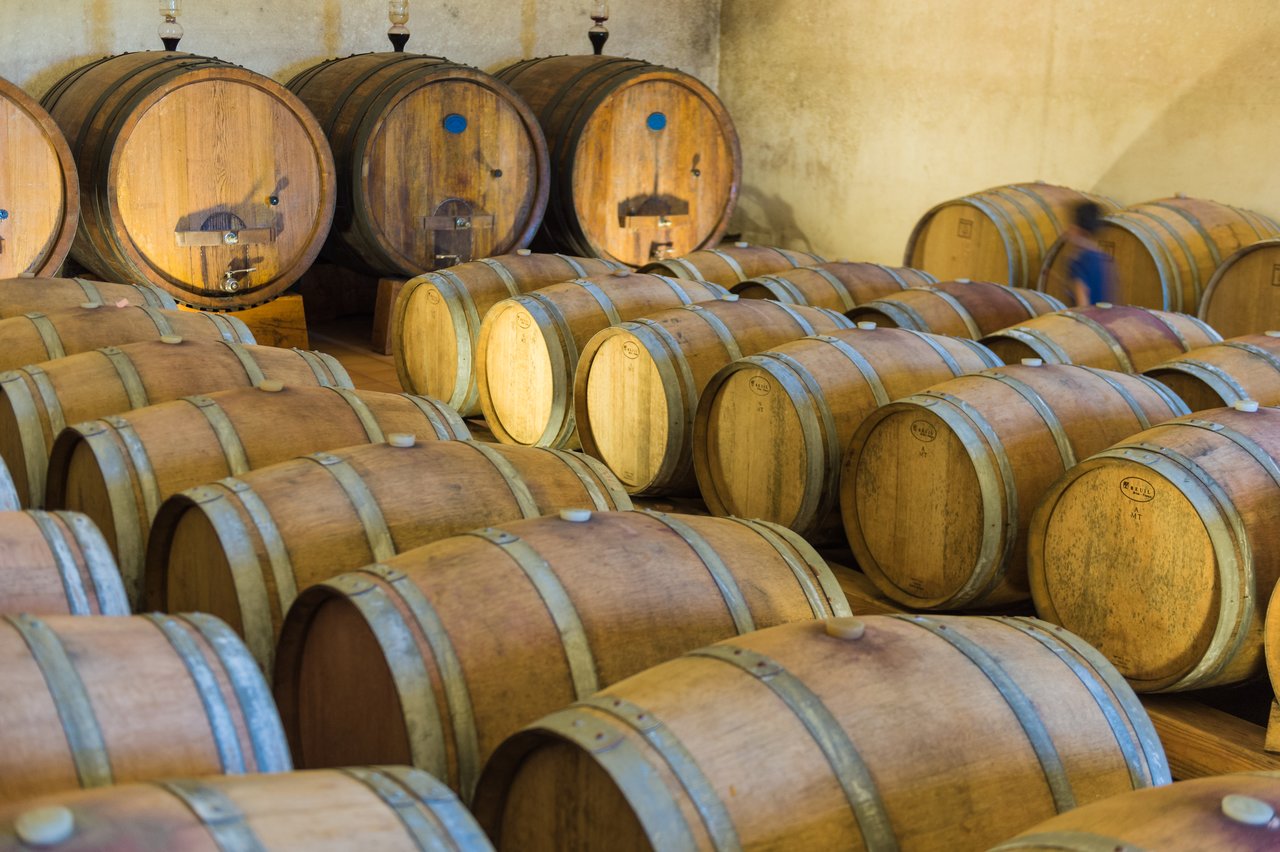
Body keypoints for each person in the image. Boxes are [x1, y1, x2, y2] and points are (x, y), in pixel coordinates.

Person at [1066, 200, 1115, 307]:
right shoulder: (1103, 256)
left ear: (1076, 229)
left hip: (1087, 320)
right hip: (1102, 319)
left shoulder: (1080, 260)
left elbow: (1082, 302)